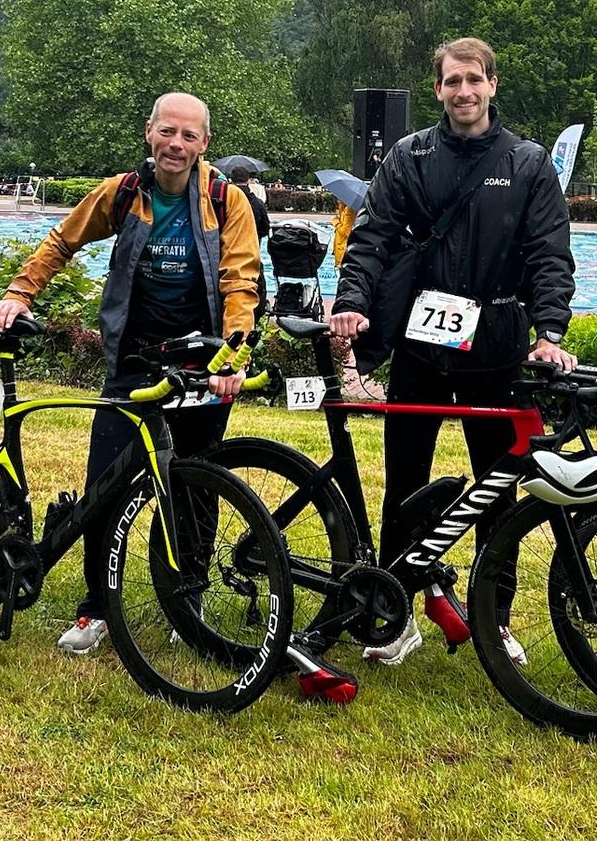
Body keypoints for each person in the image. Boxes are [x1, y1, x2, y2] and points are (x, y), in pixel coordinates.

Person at [0, 92, 261, 657]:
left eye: (188, 136)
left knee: (197, 487)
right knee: (104, 486)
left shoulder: (226, 202)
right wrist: (18, 293)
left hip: (201, 363)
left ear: (205, 143)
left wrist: (232, 356)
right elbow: (63, 240)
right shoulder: (125, 192)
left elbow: (240, 282)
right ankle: (96, 607)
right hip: (132, 359)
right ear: (149, 133)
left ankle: (189, 596)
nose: (176, 145)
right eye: (167, 132)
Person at [329, 37, 576, 666]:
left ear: (493, 84)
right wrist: (351, 301)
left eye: (474, 80)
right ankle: (397, 610)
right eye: (451, 82)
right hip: (422, 342)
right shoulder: (411, 156)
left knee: (499, 489)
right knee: (405, 482)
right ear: (438, 89)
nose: (463, 92)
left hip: (496, 345)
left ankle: (494, 617)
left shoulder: (528, 163)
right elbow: (373, 237)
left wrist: (550, 333)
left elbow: (549, 254)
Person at [229, 165, 272, 243]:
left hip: (228, 246)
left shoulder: (224, 200)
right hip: (251, 246)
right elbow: (265, 228)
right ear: (248, 181)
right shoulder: (258, 203)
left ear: (231, 180)